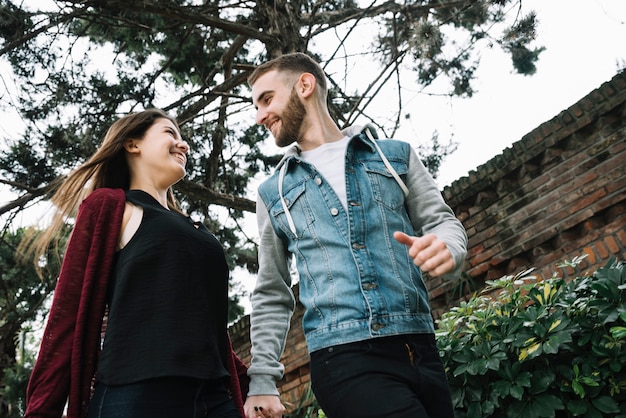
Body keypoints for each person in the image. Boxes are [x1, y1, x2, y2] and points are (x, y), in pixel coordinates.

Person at [243, 52, 468, 418]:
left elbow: (443, 222)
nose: (260, 116)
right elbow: (272, 291)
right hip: (344, 360)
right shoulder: (274, 192)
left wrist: (447, 247)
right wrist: (263, 380)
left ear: (304, 85)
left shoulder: (395, 157)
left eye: (266, 99)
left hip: (421, 347)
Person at [21, 109, 249, 418]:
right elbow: (67, 317)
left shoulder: (194, 229)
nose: (184, 145)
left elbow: (206, 327)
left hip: (212, 397)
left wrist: (257, 384)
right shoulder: (112, 207)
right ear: (132, 144)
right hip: (136, 393)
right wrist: (40, 411)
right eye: (170, 133)